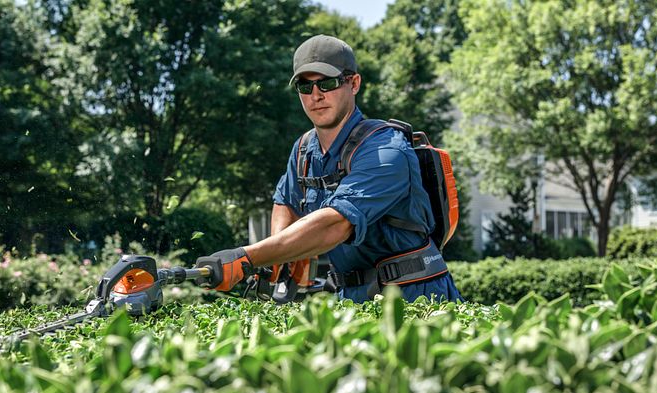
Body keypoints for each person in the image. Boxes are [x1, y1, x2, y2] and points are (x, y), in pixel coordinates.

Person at [195, 34, 462, 303]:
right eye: (304, 86)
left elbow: (336, 224)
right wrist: (282, 254)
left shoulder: (386, 151)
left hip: (416, 300)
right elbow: (286, 201)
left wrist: (247, 257)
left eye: (327, 83)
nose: (316, 95)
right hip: (350, 301)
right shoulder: (303, 150)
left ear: (354, 83)